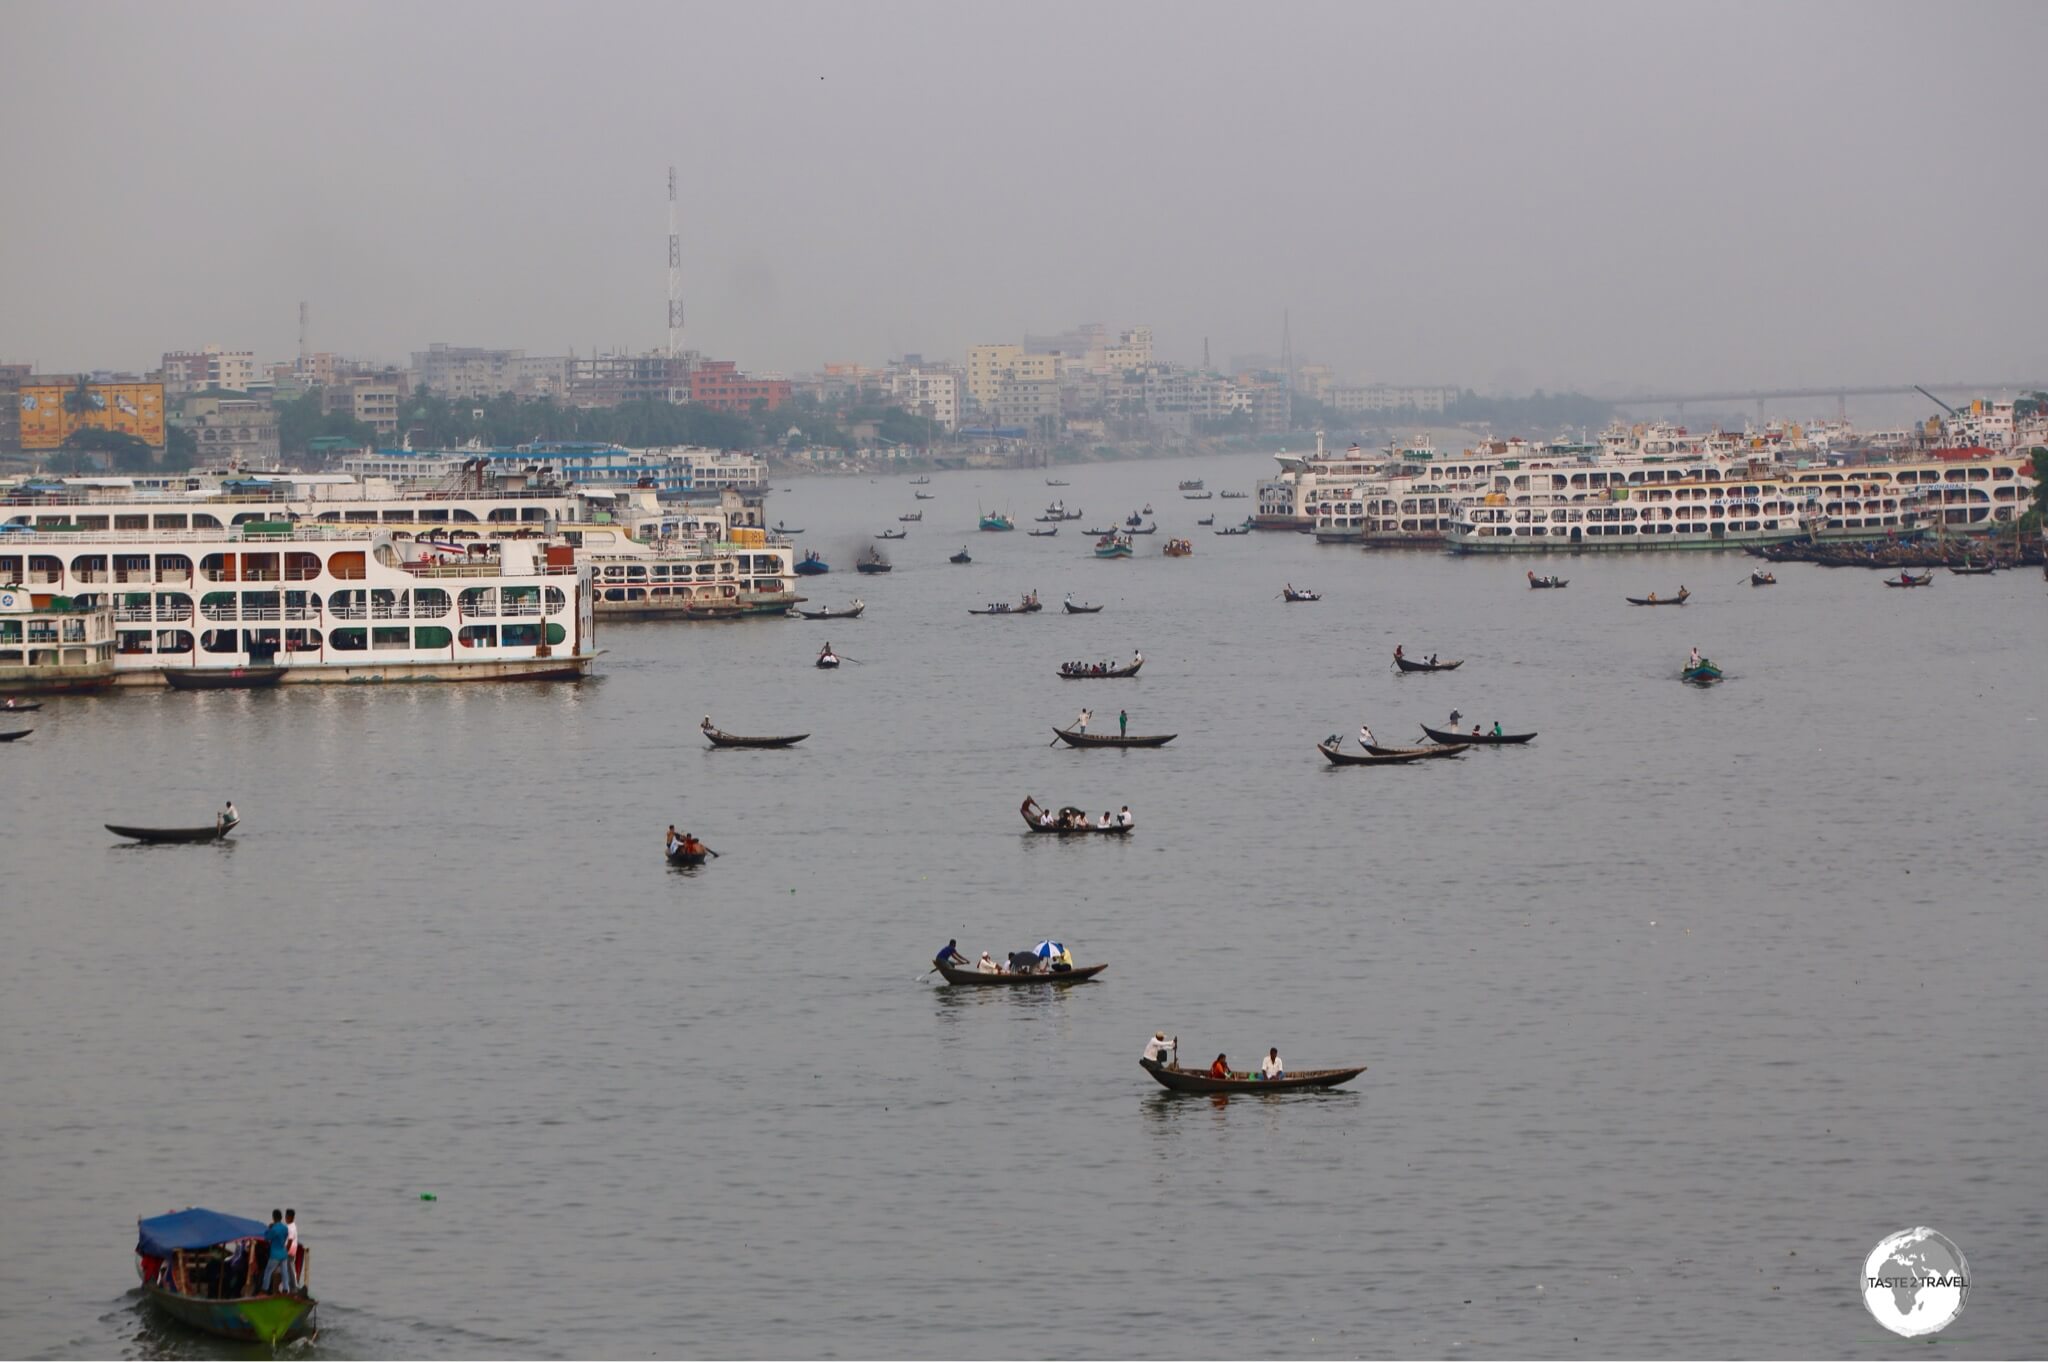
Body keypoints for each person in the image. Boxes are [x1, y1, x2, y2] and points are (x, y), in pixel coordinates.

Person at [261, 1210, 293, 1293]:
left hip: (275, 1254)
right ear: (281, 1217)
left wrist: (269, 1228)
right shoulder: (285, 1228)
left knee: (268, 1271)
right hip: (284, 1253)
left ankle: (264, 1290)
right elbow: (285, 1237)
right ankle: (286, 1289)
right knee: (284, 1272)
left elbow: (266, 1237)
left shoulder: (274, 1229)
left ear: (273, 1218)